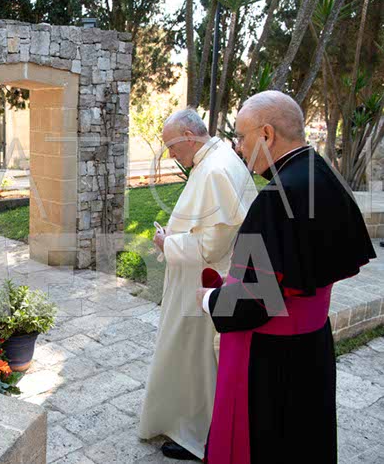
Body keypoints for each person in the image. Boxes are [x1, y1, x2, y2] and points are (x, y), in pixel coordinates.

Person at [196, 91, 376, 464]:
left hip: (268, 358)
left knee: (266, 445)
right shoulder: (322, 172)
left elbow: (251, 304)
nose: (239, 147)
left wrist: (209, 299)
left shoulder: (275, 198)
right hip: (312, 345)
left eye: (241, 137)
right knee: (305, 440)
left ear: (266, 134)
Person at [139, 109, 257, 460]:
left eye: (172, 146)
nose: (171, 154)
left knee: (196, 359)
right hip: (202, 279)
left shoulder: (215, 169)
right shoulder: (217, 160)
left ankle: (196, 435)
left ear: (190, 136)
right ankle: (191, 426)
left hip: (205, 282)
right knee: (193, 356)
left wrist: (167, 243)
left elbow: (211, 247)